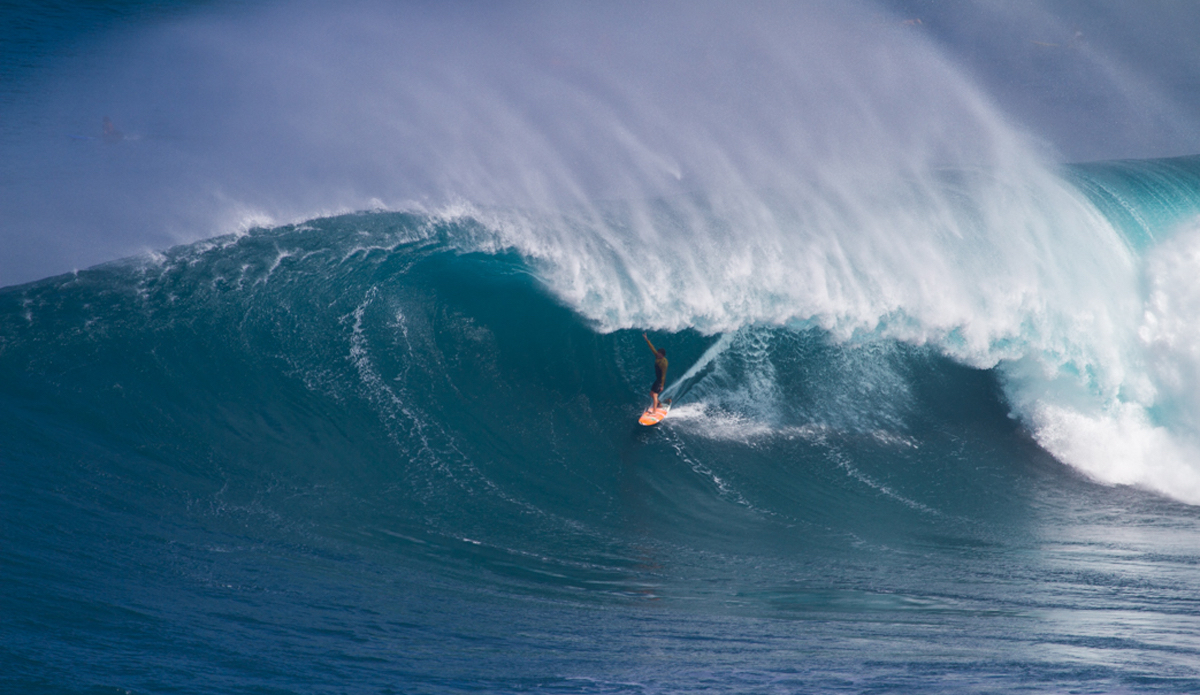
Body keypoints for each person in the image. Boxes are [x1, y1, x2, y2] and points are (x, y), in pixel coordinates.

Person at [643, 332, 669, 410]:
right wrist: (646, 339)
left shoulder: (664, 362)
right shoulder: (657, 357)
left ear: (662, 355)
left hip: (660, 381)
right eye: (657, 353)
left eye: (659, 353)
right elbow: (652, 349)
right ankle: (660, 404)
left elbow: (664, 374)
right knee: (651, 394)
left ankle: (654, 411)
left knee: (654, 395)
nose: (657, 354)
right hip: (657, 379)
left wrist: (662, 385)